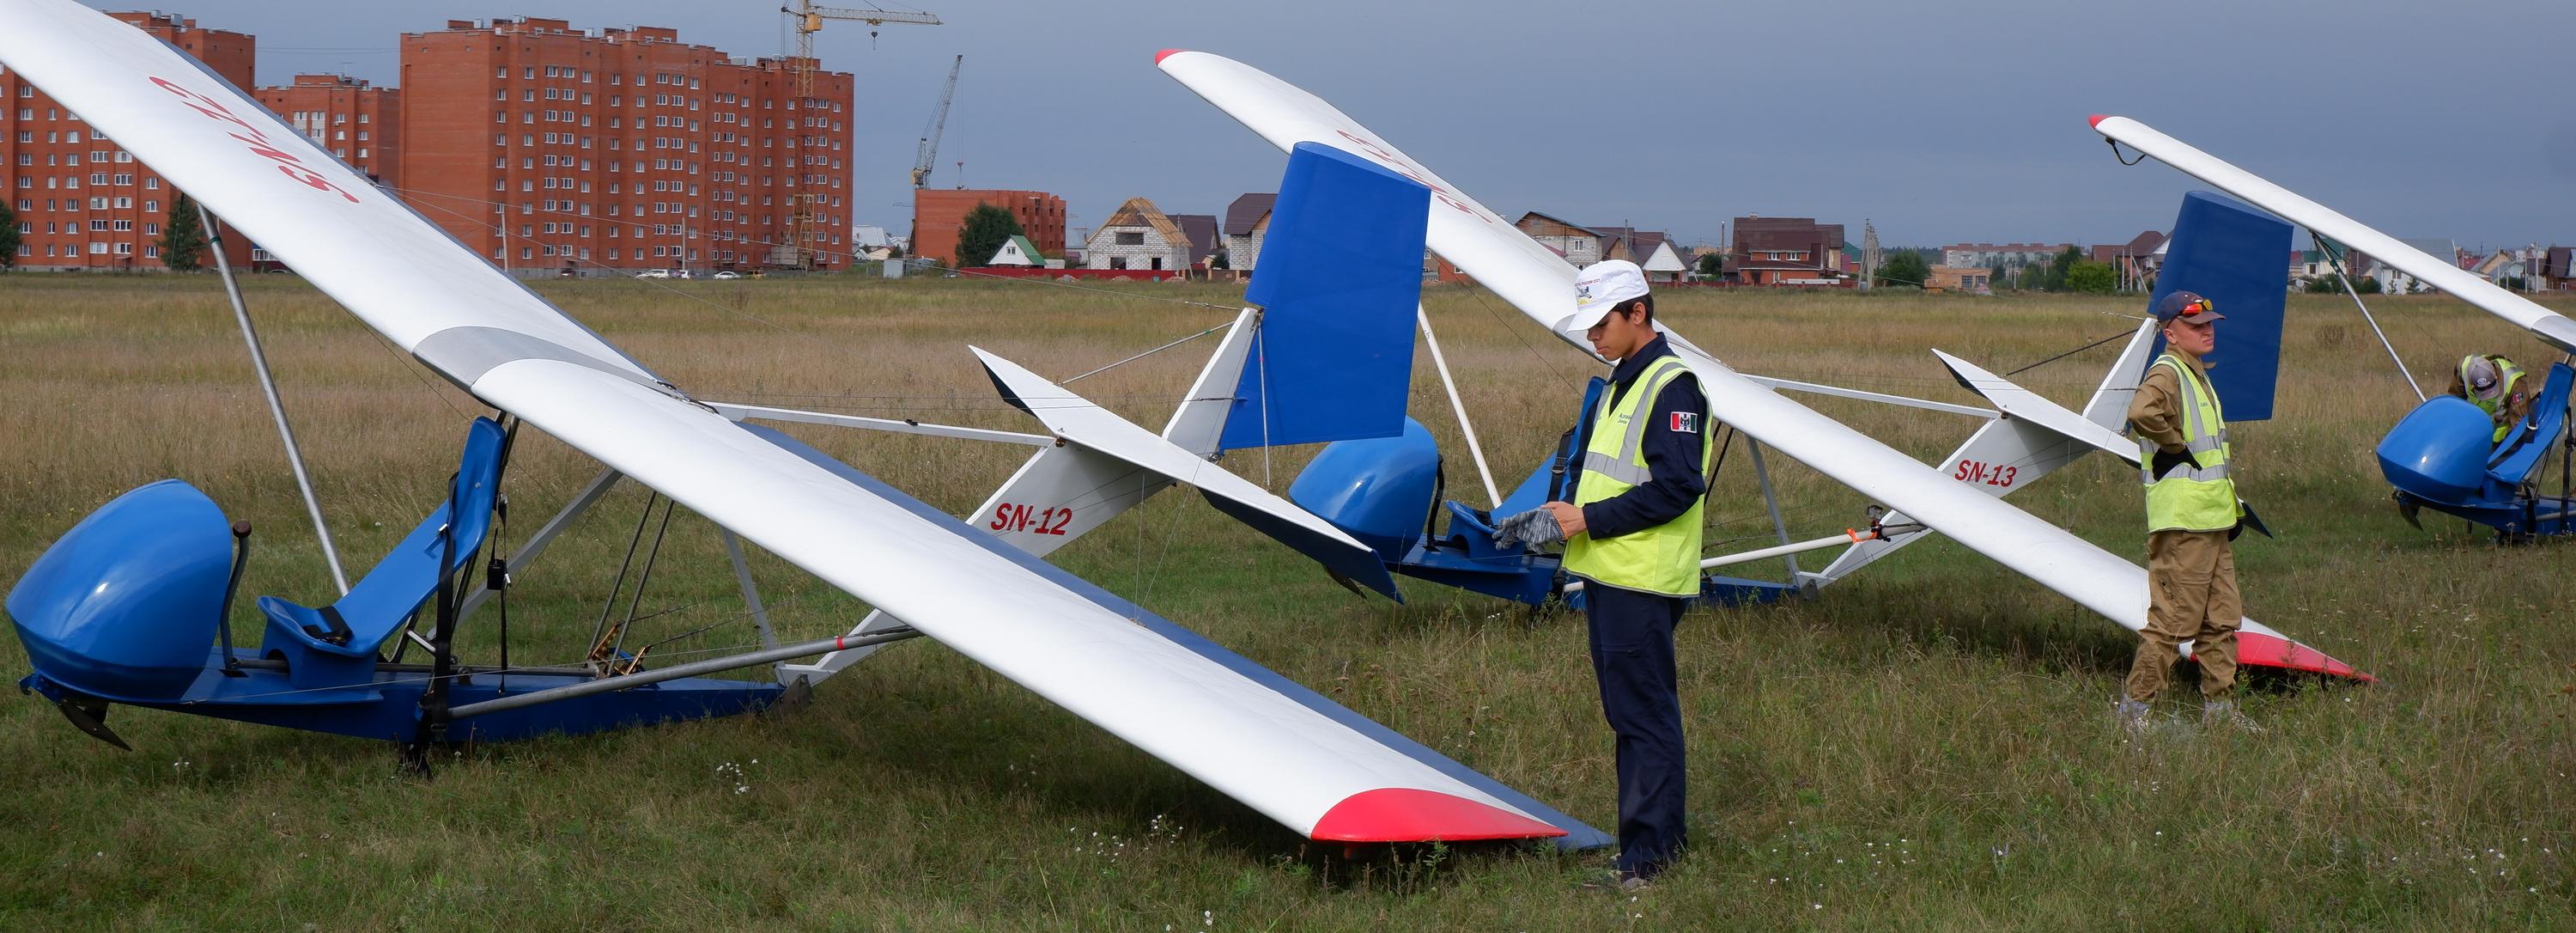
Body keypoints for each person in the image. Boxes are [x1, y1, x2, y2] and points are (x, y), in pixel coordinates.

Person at [1539, 259, 1712, 887]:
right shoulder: (1625, 378)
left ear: (1638, 312)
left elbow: (1677, 488)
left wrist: (1586, 519)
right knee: (1632, 715)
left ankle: (1650, 859)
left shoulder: (1672, 385)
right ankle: (1648, 844)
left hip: (1643, 578)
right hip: (1615, 574)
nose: (1594, 337)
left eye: (1601, 324)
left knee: (1644, 718)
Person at [2119, 291, 2260, 735]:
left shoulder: (2197, 375)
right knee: (2172, 622)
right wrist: (2174, 446)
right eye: (2196, 325)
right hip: (2184, 523)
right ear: (2170, 333)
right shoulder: (2168, 372)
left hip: (2213, 519)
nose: (2207, 330)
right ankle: (2134, 715)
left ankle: (2219, 713)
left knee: (2221, 620)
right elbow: (2141, 412)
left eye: (2209, 323)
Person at [2444, 353, 2531, 443]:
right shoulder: (2463, 367)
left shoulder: (2515, 382)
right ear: (2472, 385)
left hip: (2501, 440)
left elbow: (2519, 424)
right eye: (2481, 389)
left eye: (2490, 386)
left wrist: (2506, 447)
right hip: (2471, 432)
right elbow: (2454, 401)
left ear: (2496, 377)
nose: (2486, 392)